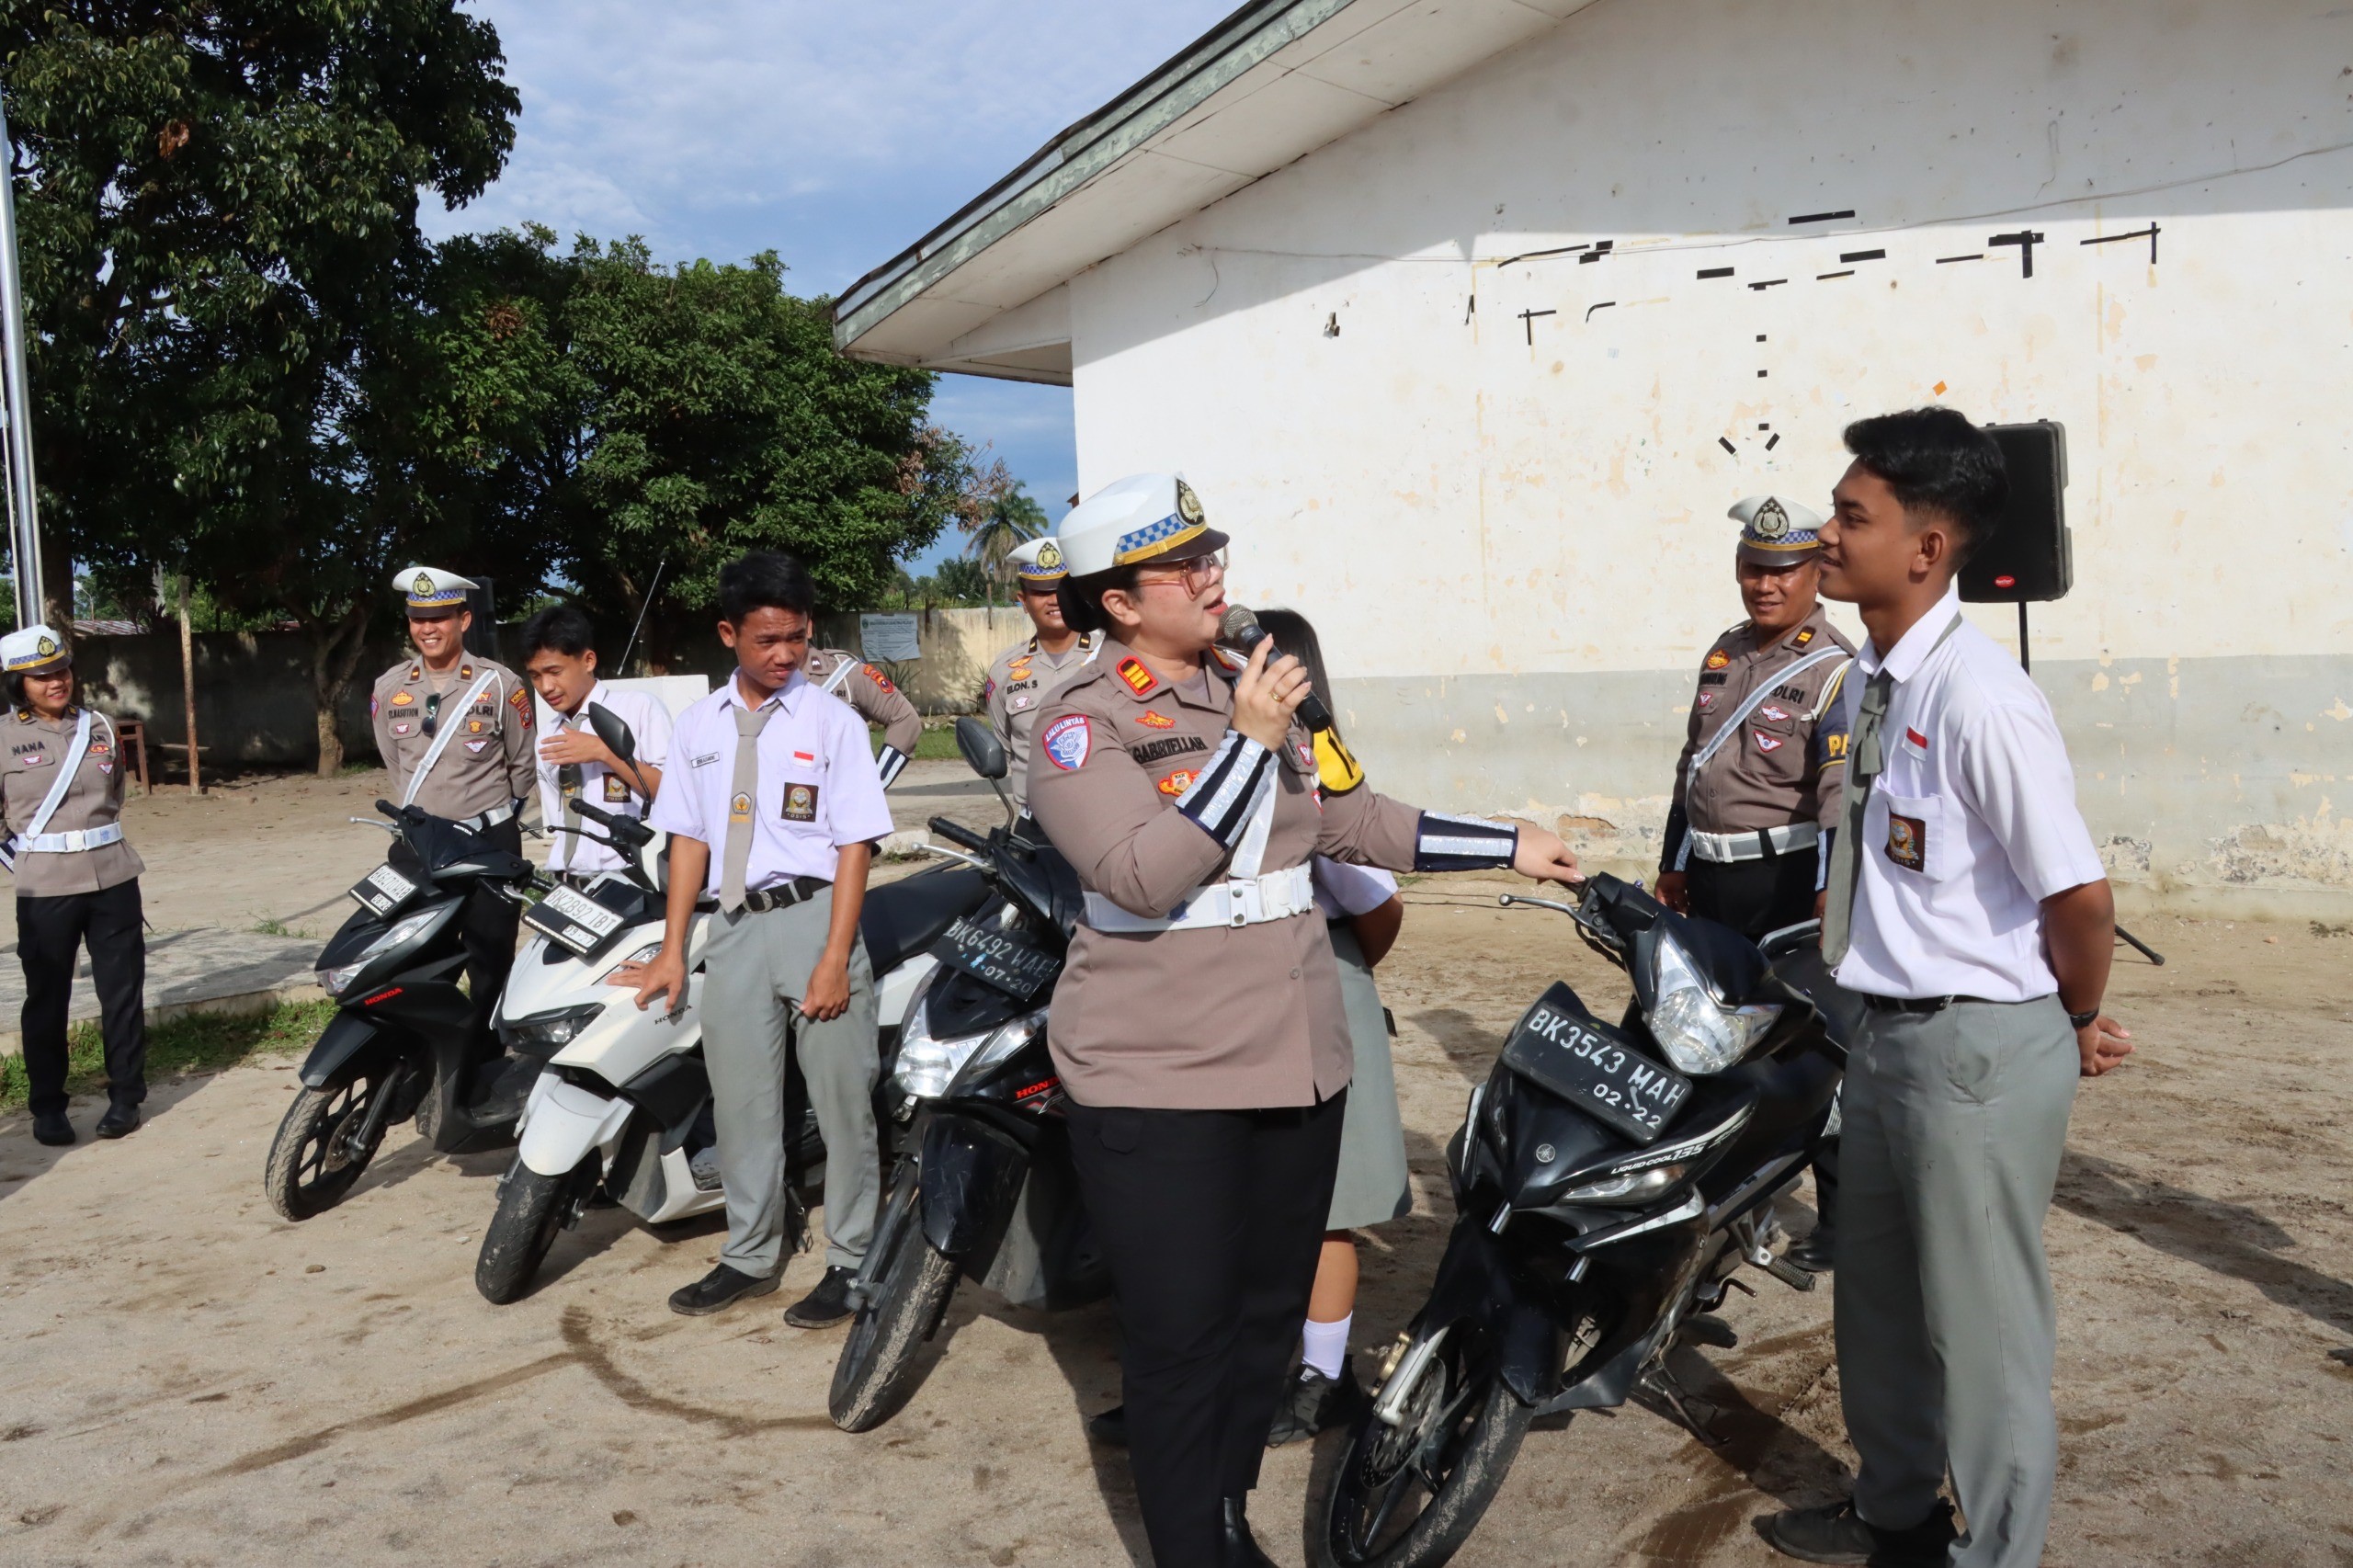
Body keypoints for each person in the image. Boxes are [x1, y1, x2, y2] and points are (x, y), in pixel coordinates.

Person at [1029, 472, 1582, 1568]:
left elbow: (1350, 815)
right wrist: (1243, 743)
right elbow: (1142, 876)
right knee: (1181, 1335)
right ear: (1120, 602)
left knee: (1265, 1313)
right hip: (1162, 1075)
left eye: (1212, 553)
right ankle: (1196, 1546)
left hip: (1294, 1061)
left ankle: (1224, 1512)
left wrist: (1506, 840)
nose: (1211, 577)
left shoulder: (1249, 685)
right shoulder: (1079, 724)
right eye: (1181, 566)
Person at [1760, 409, 2133, 1568]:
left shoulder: (1979, 695)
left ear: (1926, 547)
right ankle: (1897, 1513)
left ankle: (2000, 1552)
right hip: (1882, 1034)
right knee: (1872, 1301)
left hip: (1971, 1047)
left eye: (1851, 517)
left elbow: (2077, 896)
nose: (1826, 534)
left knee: (1981, 1332)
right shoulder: (1874, 675)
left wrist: (2069, 1018)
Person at [631, 551, 894, 1331]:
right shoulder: (700, 727)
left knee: (844, 1105)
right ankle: (749, 1254)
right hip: (735, 929)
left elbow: (856, 848)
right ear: (728, 635)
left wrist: (834, 959)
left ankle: (851, 1260)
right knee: (743, 1104)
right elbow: (686, 838)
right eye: (766, 641)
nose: (784, 656)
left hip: (817, 920)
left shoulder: (833, 723)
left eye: (798, 639)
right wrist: (675, 946)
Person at [1654, 494, 1856, 1272]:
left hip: (1785, 886)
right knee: (1698, 1039)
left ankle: (1837, 1224)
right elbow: (1692, 768)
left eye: (1783, 571)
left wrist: (1831, 890)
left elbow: (1838, 794)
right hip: (1709, 879)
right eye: (1753, 568)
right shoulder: (1725, 654)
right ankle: (1712, 1210)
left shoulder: (1836, 670)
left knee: (1812, 1055)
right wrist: (1673, 862)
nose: (1765, 585)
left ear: (1814, 574)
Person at [1255, 609, 1407, 1447]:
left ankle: (1323, 1377)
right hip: (1232, 1003)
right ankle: (1242, 1366)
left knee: (1327, 1203)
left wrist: (1340, 971)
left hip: (1321, 985)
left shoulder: (1317, 769)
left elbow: (1377, 904)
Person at [369, 567, 536, 1078]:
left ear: (463, 619)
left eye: (439, 618)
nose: (428, 629)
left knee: (489, 960)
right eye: (419, 619)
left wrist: (487, 818)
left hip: (486, 843)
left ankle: (483, 1065)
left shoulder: (500, 685)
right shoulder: (389, 686)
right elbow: (394, 763)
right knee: (417, 958)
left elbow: (522, 766)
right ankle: (419, 1064)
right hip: (418, 846)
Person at [0, 626, 147, 1144]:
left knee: (122, 992)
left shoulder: (100, 726)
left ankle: (126, 1097)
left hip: (113, 878)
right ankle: (47, 1108)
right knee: (47, 997)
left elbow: (116, 793)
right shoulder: (2, 737)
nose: (55, 682)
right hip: (45, 889)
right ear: (19, 683)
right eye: (40, 676)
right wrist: (26, 861)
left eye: (60, 670)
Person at [517, 605, 672, 887]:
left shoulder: (638, 709)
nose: (546, 686)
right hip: (568, 882)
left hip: (631, 879)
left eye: (554, 671)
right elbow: (559, 821)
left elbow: (674, 794)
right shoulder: (549, 735)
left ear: (588, 661)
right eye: (535, 676)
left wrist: (604, 753)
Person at [984, 536, 1099, 804]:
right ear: (1023, 601)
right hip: (1032, 825)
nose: (1054, 600)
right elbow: (1005, 743)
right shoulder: (1004, 671)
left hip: (1101, 819)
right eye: (1042, 592)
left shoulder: (1110, 655)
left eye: (1063, 589)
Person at [802, 644, 920, 788]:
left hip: (837, 803)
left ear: (808, 626)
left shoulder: (845, 672)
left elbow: (905, 718)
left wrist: (873, 788)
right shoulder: (768, 681)